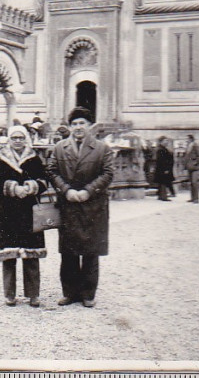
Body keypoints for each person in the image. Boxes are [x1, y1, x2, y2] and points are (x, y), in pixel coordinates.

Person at [47, 107, 114, 308]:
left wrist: (88, 190)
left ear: (89, 126)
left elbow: (108, 173)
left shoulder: (102, 148)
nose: (78, 127)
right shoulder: (60, 147)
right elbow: (51, 171)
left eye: (82, 123)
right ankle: (70, 292)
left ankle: (88, 294)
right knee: (68, 251)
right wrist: (66, 190)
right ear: (70, 126)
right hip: (68, 205)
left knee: (91, 251)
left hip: (93, 206)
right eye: (74, 124)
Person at [0, 124, 48, 307]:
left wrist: (31, 187)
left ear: (26, 139)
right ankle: (9, 294)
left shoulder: (34, 158)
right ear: (9, 139)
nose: (18, 141)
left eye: (21, 138)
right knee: (9, 253)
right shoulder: (0, 159)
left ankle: (33, 294)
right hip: (8, 211)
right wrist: (13, 188)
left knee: (31, 254)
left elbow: (44, 181)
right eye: (14, 138)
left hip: (29, 210)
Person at [184, 134, 199, 203]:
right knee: (191, 183)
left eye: (187, 139)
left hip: (195, 167)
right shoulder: (188, 146)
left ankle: (196, 198)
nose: (186, 140)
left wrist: (196, 162)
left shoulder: (196, 146)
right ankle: (192, 198)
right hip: (189, 167)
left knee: (194, 182)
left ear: (191, 139)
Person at [154, 136, 174, 201]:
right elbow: (162, 160)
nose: (167, 142)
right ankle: (163, 196)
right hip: (163, 168)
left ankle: (160, 196)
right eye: (165, 141)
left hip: (162, 168)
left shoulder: (162, 149)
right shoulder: (161, 150)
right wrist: (166, 169)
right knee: (163, 182)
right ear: (161, 141)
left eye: (167, 141)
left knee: (162, 182)